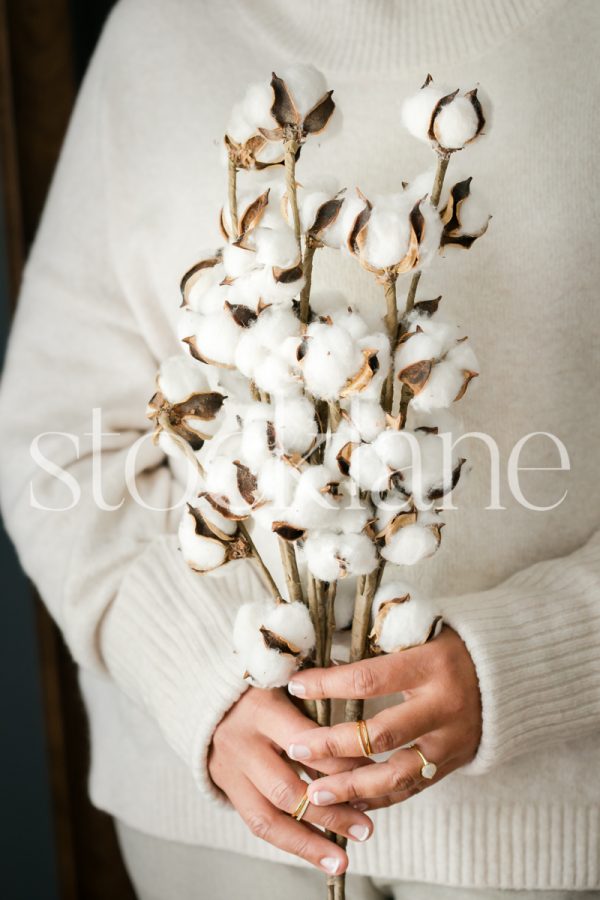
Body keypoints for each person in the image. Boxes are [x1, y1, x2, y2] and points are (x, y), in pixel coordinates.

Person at [1, 1, 599, 898]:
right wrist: (200, 669)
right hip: (211, 835)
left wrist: (545, 656)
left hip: (542, 835)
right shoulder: (163, 29)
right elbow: (57, 438)